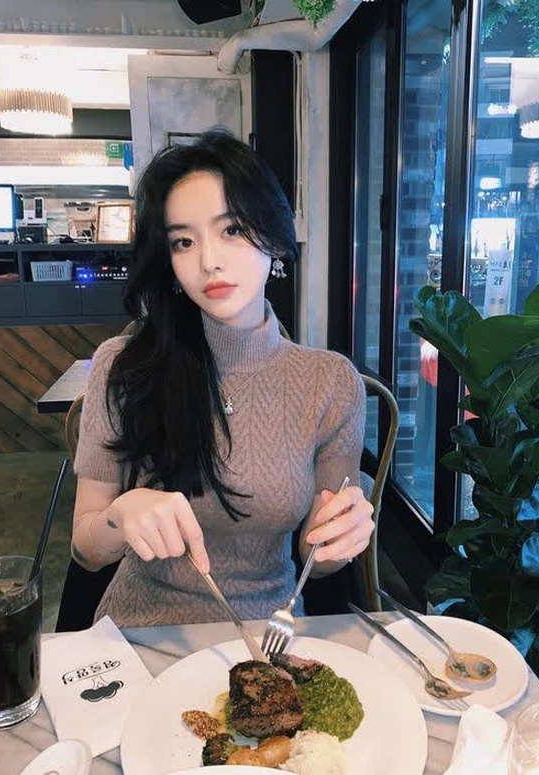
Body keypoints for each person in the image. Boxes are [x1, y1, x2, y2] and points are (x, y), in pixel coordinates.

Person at [71, 129, 374, 628]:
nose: (208, 260)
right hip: (142, 632)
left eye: (231, 229)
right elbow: (86, 551)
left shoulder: (330, 383)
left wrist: (341, 536)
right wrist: (119, 515)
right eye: (183, 241)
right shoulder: (123, 367)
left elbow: (316, 560)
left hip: (269, 635)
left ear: (273, 237)